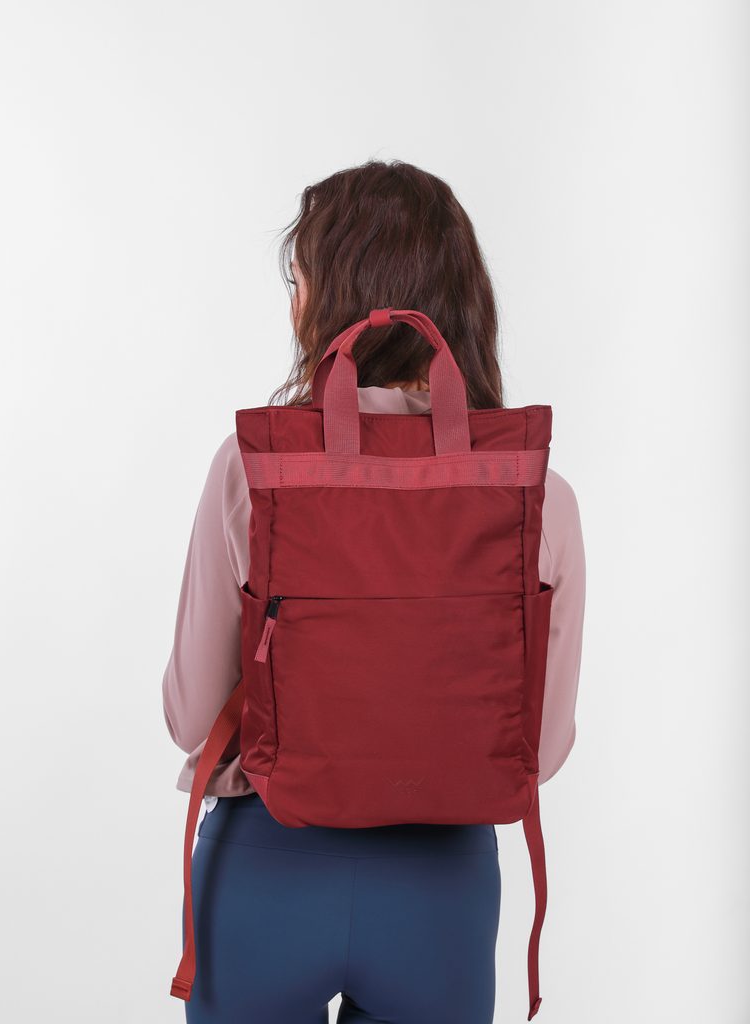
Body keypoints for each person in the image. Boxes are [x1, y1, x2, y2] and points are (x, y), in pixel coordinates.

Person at [162, 159, 586, 1024]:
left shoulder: (257, 471)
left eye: (299, 280)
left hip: (265, 867)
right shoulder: (534, 492)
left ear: (329, 302)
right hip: (442, 895)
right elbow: (536, 751)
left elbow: (190, 716)